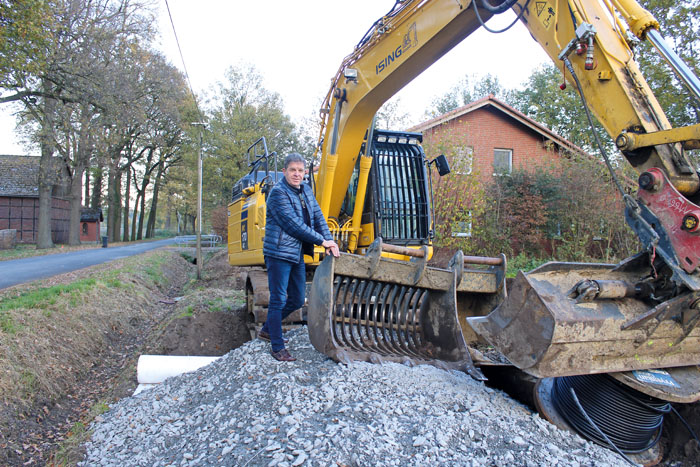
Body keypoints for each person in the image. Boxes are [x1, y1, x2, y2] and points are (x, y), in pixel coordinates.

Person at [260, 153, 340, 361]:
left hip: (296, 252)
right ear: (285, 171)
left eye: (300, 170)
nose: (297, 174)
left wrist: (329, 241)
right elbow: (293, 225)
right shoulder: (277, 194)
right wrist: (321, 242)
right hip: (278, 253)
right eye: (292, 170)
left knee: (296, 299)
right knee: (278, 298)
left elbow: (318, 218)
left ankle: (268, 329)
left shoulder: (305, 190)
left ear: (305, 173)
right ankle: (277, 347)